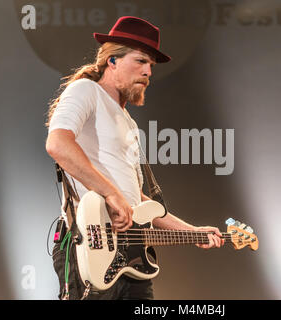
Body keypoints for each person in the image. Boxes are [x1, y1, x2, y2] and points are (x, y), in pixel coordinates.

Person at [45, 16, 224, 300]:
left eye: (151, 65)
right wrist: (111, 193)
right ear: (112, 60)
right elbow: (57, 143)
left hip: (130, 258)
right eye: (140, 61)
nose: (148, 71)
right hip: (90, 247)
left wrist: (193, 231)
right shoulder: (86, 91)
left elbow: (138, 202)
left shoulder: (127, 121)